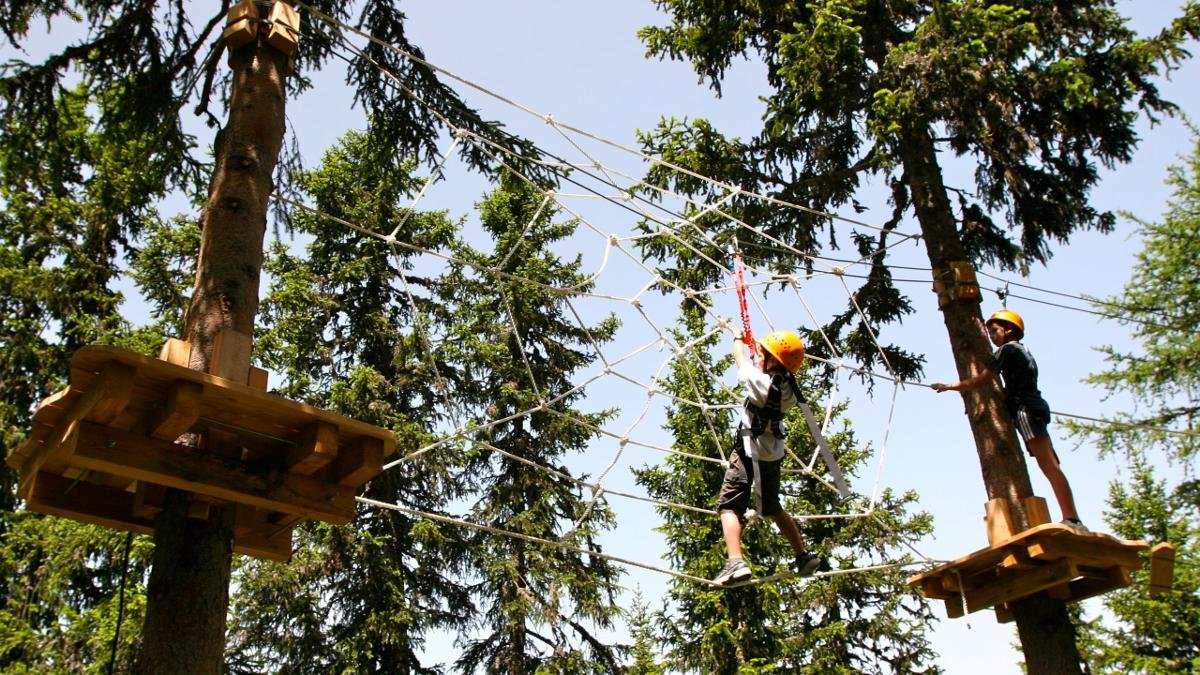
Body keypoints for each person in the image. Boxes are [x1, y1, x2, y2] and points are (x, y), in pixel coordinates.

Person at [931, 309, 1086, 531]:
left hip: (1026, 411)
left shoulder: (1007, 350)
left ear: (1009, 329)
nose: (992, 337)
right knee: (1053, 466)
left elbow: (982, 379)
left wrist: (950, 386)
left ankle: (1072, 519)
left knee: (1048, 466)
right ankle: (1073, 517)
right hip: (1036, 407)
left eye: (994, 331)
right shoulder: (1024, 352)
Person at [711, 327, 821, 585]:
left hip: (747, 452)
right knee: (772, 507)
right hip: (772, 456)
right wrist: (760, 355)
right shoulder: (791, 391)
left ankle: (735, 561)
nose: (758, 358)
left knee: (728, 507)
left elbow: (740, 359)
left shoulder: (757, 381)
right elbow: (761, 370)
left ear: (772, 361)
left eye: (763, 355)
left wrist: (738, 339)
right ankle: (802, 555)